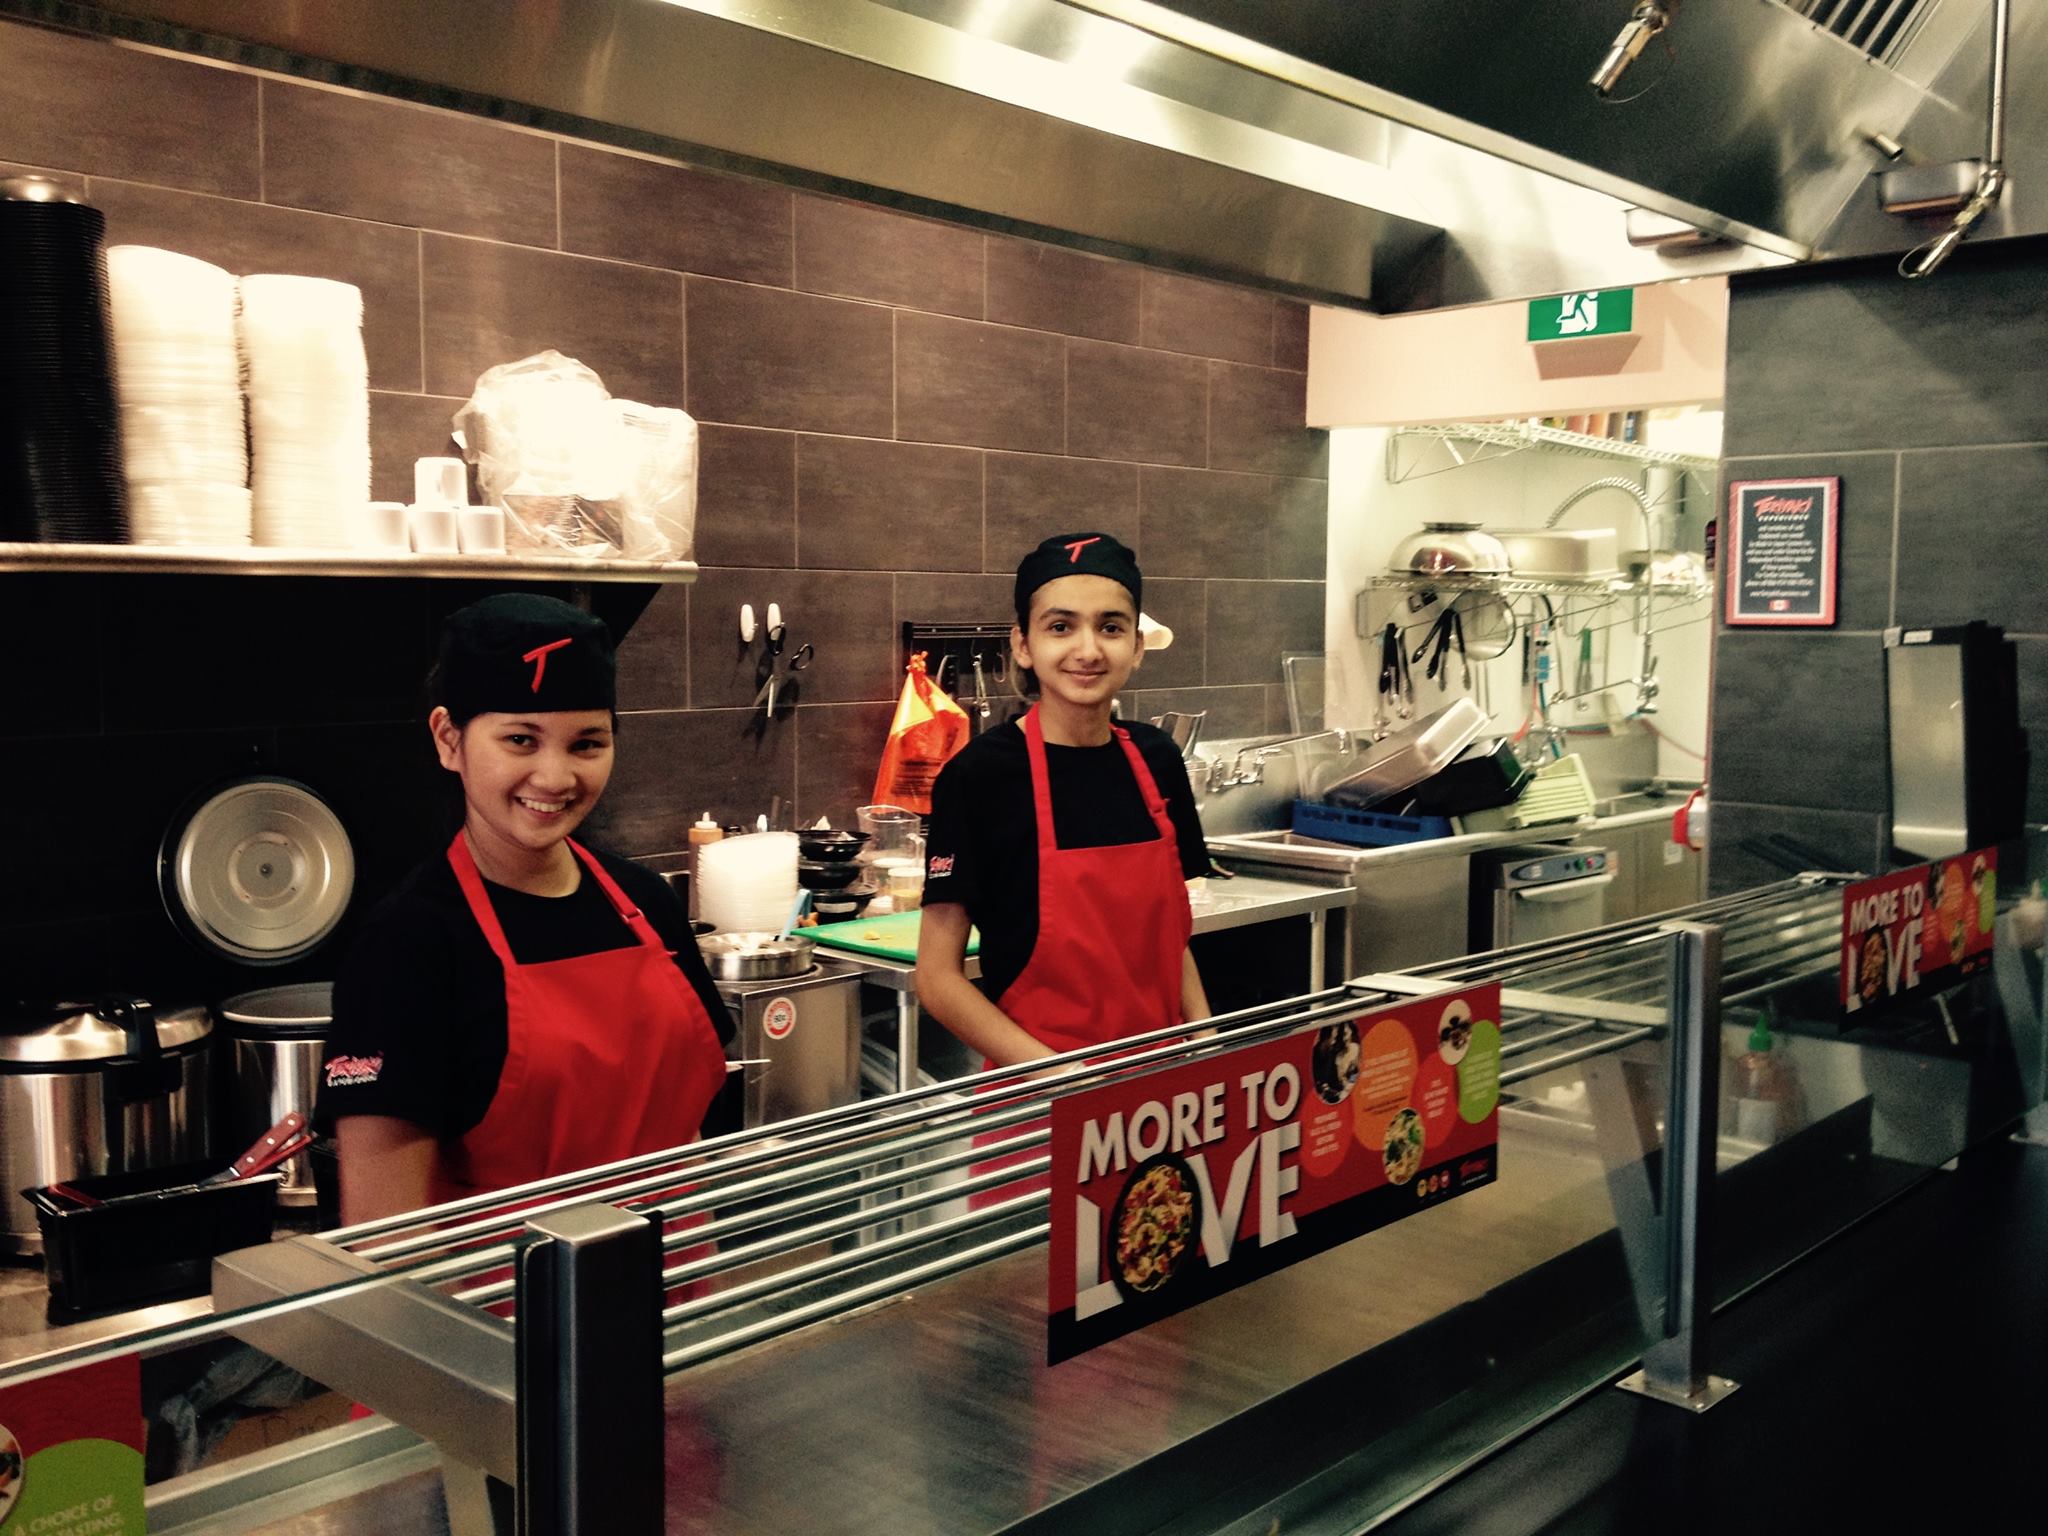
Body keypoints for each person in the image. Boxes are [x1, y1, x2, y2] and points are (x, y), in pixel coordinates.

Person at [317, 593, 733, 1223]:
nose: (555, 777)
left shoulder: (648, 903)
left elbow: (691, 1135)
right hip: (512, 1285)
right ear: (449, 740)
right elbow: (383, 1234)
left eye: (586, 744)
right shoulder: (406, 945)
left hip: (677, 1272)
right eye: (520, 739)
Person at [916, 531, 1211, 1073]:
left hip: (1164, 1086)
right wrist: (1064, 1077)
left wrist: (1203, 1042)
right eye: (1060, 626)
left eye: (1111, 627)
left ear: (1137, 646)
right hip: (1039, 1093)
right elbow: (937, 979)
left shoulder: (1158, 759)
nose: (1088, 650)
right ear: (1023, 645)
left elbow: (1170, 945)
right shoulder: (979, 776)